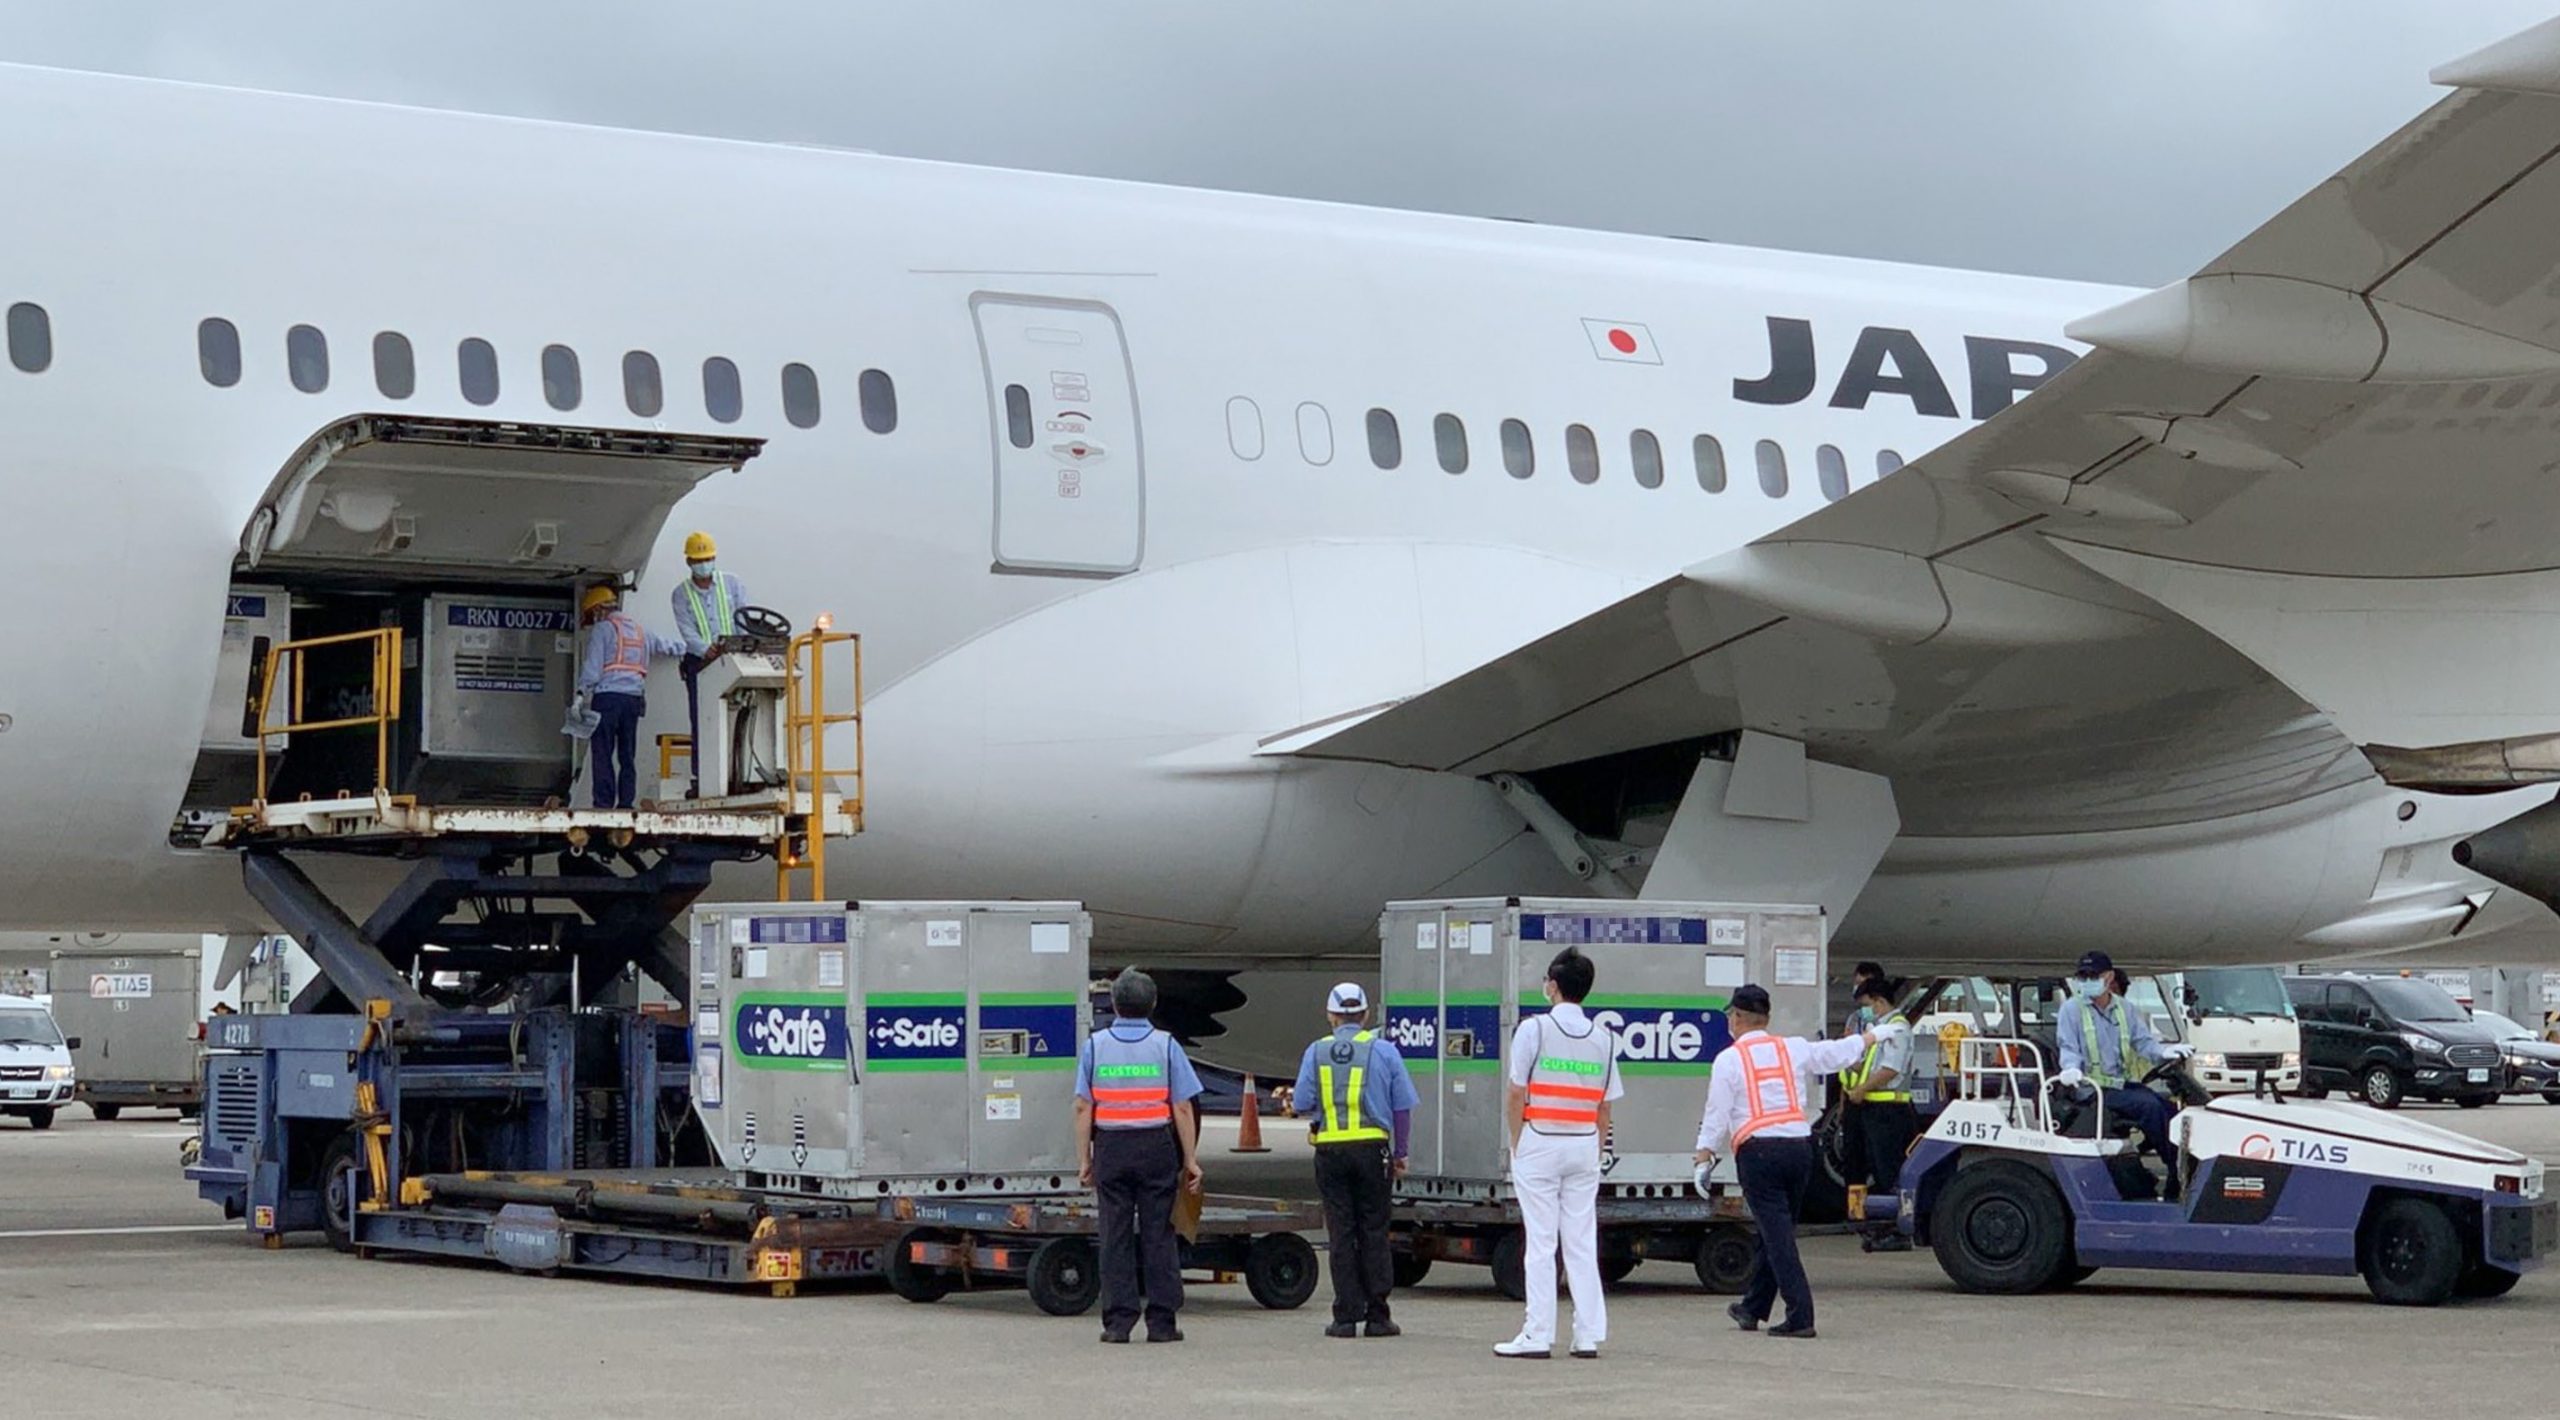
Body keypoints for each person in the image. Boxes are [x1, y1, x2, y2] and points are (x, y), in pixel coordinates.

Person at [1695, 984, 1903, 1339]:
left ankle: (1800, 1314)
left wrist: (1704, 1154)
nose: (1730, 1020)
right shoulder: (1790, 1048)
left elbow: (1717, 1112)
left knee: (1777, 1238)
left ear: (1739, 1018)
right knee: (1774, 1230)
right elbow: (1835, 1054)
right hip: (1799, 1149)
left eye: (1731, 1015)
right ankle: (1752, 1307)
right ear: (1767, 1018)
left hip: (1759, 1152)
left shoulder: (1729, 1059)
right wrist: (1874, 1036)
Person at [1494, 947, 1621, 1361]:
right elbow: (1605, 1105)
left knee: (1542, 1242)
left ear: (1552, 985)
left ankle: (1537, 1333)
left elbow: (1516, 1093)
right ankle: (1587, 1336)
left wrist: (1517, 1141)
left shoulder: (1535, 1030)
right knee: (1581, 1242)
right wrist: (1596, 1149)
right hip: (1584, 1144)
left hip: (1540, 1141)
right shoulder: (1604, 1038)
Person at [1074, 967, 1205, 1345]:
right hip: (1155, 1147)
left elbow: (1083, 1106)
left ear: (1113, 1003)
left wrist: (1085, 1158)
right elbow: (1182, 1106)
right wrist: (1191, 1159)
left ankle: (1118, 1322)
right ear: (1153, 1004)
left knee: (1114, 1235)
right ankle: (1162, 1322)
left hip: (1112, 1148)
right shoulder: (1166, 1046)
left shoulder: (1095, 1046)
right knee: (1159, 1234)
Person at [1291, 981, 1418, 1339]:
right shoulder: (1385, 1051)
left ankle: (1345, 1317)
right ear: (1364, 1015)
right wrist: (1401, 1152)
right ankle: (1378, 1316)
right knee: (1374, 1231)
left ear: (1331, 1015)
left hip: (1330, 1150)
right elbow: (1402, 1106)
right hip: (1372, 1149)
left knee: (1341, 1233)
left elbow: (1301, 1102)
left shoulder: (1316, 1052)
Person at [2055, 951, 2191, 1191]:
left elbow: (2143, 1043)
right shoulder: (2071, 1010)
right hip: (2092, 1089)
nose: (2087, 981)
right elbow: (2069, 1048)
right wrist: (2070, 1070)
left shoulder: (2124, 1008)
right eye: (2082, 976)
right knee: (2148, 1106)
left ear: (2108, 977)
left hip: (2118, 1085)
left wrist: (2165, 1052)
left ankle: (2180, 1165)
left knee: (2168, 1108)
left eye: (2092, 975)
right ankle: (2177, 1171)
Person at [575, 585, 683, 810]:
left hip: (606, 699)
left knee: (603, 752)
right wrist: (696, 649)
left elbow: (593, 668)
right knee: (627, 754)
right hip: (633, 700)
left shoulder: (603, 629)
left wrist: (580, 693)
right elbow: (669, 646)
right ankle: (626, 802)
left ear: (598, 610)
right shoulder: (640, 630)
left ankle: (603, 804)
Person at [668, 530, 748, 798]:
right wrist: (707, 650)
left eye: (708, 558)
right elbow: (687, 631)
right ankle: (702, 776)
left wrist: (738, 646)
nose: (704, 564)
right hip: (700, 662)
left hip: (733, 658)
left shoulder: (732, 584)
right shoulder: (680, 594)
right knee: (702, 720)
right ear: (689, 562)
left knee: (740, 715)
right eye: (699, 559)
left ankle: (741, 773)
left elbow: (743, 618)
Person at [1839, 977, 1917, 1251]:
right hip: (1869, 1108)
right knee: (1863, 1164)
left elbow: (1890, 1069)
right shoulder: (1880, 1028)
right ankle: (1871, 1223)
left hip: (1888, 1110)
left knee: (1888, 1170)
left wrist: (1861, 1088)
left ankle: (1897, 1231)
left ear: (1879, 1001)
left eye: (1867, 1005)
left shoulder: (1897, 1029)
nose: (1864, 1010)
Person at [1844, 961, 1886, 1034]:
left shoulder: (1888, 1017)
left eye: (1862, 984)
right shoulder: (1855, 1018)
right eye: (1856, 983)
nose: (1858, 988)